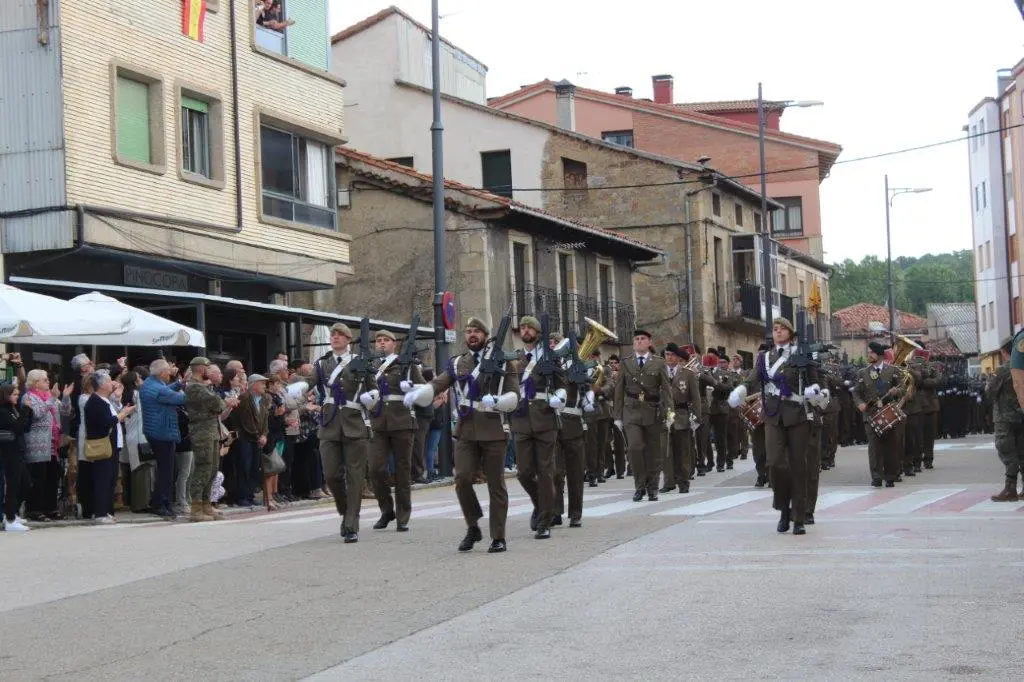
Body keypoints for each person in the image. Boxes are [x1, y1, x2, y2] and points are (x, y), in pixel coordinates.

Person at [405, 316, 520, 553]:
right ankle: (473, 526)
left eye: (476, 331)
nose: (472, 335)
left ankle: (498, 536)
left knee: (496, 485)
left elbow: (515, 396)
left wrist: (498, 401)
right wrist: (422, 392)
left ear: (485, 336)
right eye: (468, 331)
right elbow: (440, 383)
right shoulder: (458, 363)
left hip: (493, 429)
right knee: (462, 479)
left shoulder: (502, 360)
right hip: (466, 430)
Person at [729, 318, 826, 535]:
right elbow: (753, 379)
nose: (778, 331)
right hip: (773, 415)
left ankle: (798, 517)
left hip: (797, 414)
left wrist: (815, 391)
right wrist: (740, 392)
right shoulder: (764, 357)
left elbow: (816, 379)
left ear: (790, 333)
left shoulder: (802, 354)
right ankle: (783, 508)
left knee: (798, 466)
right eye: (775, 329)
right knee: (774, 463)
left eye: (782, 329)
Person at [313, 322, 371, 544]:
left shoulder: (360, 362)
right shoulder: (322, 363)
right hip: (329, 425)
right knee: (331, 475)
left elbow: (373, 387)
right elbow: (311, 381)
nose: (335, 337)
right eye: (333, 335)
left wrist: (372, 398)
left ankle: (351, 524)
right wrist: (299, 386)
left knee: (355, 476)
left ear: (348, 339)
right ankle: (346, 509)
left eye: (339, 335)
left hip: (355, 424)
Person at [509, 315, 564, 539]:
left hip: (544, 419)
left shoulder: (550, 357)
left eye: (529, 327)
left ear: (538, 332)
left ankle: (544, 521)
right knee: (523, 473)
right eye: (522, 327)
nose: (525, 330)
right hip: (521, 420)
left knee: (545, 472)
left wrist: (559, 396)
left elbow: (563, 384)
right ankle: (541, 505)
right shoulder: (515, 358)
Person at [365, 329, 424, 533]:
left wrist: (412, 389)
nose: (381, 343)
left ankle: (403, 516)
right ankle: (386, 509)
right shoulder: (370, 366)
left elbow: (424, 389)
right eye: (378, 340)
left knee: (402, 471)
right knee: (375, 468)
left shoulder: (406, 364)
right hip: (379, 421)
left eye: (386, 340)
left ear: (394, 344)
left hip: (402, 421)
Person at [613, 329, 673, 502]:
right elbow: (619, 390)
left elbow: (666, 389)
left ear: (649, 343)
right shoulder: (626, 362)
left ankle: (652, 487)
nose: (639, 341)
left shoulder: (659, 362)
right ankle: (639, 486)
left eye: (642, 339)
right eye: (636, 339)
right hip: (630, 411)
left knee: (653, 452)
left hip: (652, 410)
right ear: (633, 343)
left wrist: (670, 412)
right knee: (635, 447)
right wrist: (617, 416)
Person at [184, 358, 236, 521]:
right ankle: (196, 508)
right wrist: (222, 402)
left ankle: (207, 504)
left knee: (212, 469)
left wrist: (221, 402)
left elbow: (218, 405)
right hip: (202, 432)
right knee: (203, 469)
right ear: (201, 369)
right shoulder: (195, 387)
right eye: (207, 368)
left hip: (212, 431)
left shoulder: (205, 387)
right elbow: (218, 404)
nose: (209, 371)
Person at [852, 342, 905, 488]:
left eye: (871, 353)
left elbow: (903, 387)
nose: (869, 355)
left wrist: (897, 391)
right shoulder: (863, 372)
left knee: (890, 446)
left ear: (879, 355)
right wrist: (860, 404)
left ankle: (890, 476)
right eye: (868, 352)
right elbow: (856, 392)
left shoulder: (893, 370)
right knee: (874, 447)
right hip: (871, 413)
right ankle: (876, 476)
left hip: (889, 413)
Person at [21, 369, 72, 521]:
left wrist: (66, 397)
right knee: (38, 478)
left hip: (52, 445)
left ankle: (51, 508)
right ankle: (34, 510)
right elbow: (37, 413)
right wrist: (52, 399)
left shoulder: (50, 397)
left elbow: (65, 412)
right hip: (37, 445)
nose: (48, 382)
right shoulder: (29, 397)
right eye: (44, 380)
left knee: (52, 477)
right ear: (35, 383)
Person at [84, 372, 135, 524]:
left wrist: (121, 410)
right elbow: (107, 422)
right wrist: (123, 414)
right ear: (101, 385)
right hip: (103, 445)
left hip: (113, 445)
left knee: (111, 479)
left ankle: (106, 510)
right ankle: (100, 512)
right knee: (103, 479)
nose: (112, 383)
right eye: (109, 381)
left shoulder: (105, 401)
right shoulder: (94, 402)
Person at [139, 359, 185, 519]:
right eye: (168, 371)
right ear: (161, 372)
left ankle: (161, 501)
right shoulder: (157, 388)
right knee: (166, 471)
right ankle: (161, 503)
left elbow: (166, 391)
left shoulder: (150, 384)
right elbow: (180, 399)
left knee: (166, 470)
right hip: (162, 432)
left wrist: (180, 383)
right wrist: (190, 388)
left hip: (157, 431)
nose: (170, 373)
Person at [660, 343, 700, 494]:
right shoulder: (659, 372)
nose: (669, 358)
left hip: (681, 415)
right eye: (667, 355)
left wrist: (696, 418)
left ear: (677, 358)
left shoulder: (687, 374)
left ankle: (683, 482)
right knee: (666, 451)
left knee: (683, 452)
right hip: (664, 416)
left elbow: (695, 398)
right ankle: (668, 482)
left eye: (672, 355)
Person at [988, 336, 1024, 501]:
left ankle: (1010, 489)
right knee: (1022, 451)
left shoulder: (1002, 370)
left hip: (1004, 417)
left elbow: (990, 391)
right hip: (1021, 415)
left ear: (1004, 352)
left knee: (1006, 450)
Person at [0, 382, 33, 531]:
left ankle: (13, 512)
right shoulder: (3, 411)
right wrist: (25, 409)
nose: (17, 396)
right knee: (12, 485)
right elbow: (17, 427)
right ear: (6, 395)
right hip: (8, 452)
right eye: (14, 394)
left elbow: (25, 427)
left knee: (25, 483)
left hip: (19, 450)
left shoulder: (14, 409)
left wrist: (28, 411)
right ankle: (10, 519)